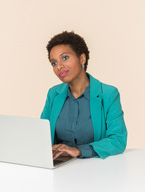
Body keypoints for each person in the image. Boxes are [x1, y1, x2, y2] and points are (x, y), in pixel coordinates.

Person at [41, 31, 127, 159]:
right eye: (54, 63)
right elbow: (41, 137)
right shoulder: (53, 94)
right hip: (60, 168)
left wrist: (78, 151)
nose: (59, 66)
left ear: (82, 58)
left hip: (97, 169)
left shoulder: (108, 94)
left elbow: (118, 140)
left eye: (65, 58)